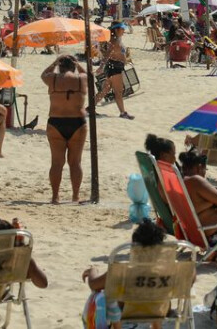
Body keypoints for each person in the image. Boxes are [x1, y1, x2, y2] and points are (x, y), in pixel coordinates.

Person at [82, 218, 170, 329]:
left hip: (126, 313)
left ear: (134, 248)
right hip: (159, 312)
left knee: (100, 294)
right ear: (160, 249)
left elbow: (93, 284)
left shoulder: (120, 272)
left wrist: (92, 271)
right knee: (158, 297)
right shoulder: (169, 272)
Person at [42, 56, 88, 204]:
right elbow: (88, 75)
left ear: (59, 67)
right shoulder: (81, 79)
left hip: (56, 121)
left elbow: (43, 74)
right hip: (77, 122)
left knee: (56, 163)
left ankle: (55, 197)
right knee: (75, 163)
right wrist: (78, 65)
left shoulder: (53, 79)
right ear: (73, 67)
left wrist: (54, 62)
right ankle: (75, 196)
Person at [97, 23, 134, 119]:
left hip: (114, 67)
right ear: (116, 30)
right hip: (115, 68)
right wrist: (101, 67)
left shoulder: (117, 39)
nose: (124, 30)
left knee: (105, 90)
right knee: (118, 92)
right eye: (122, 29)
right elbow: (107, 55)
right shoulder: (114, 41)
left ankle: (89, 108)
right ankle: (123, 113)